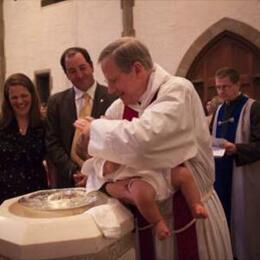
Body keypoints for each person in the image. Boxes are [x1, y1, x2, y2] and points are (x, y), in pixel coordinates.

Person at [74, 37, 232, 260]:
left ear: (137, 69)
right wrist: (106, 168)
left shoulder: (178, 90)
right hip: (148, 222)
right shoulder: (120, 107)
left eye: (114, 80)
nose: (109, 90)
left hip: (193, 217)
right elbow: (96, 158)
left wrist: (96, 133)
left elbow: (144, 142)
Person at [81, 153, 208, 240]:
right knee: (140, 193)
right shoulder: (98, 161)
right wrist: (116, 152)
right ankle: (157, 221)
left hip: (160, 171)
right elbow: (108, 169)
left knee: (183, 175)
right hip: (140, 180)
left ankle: (195, 204)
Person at [45, 47, 117, 188]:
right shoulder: (56, 102)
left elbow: (116, 140)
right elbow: (52, 143)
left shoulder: (113, 97)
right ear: (66, 74)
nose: (79, 75)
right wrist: (74, 171)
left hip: (105, 180)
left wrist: (93, 171)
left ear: (91, 66)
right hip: (69, 180)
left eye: (82, 68)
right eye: (72, 71)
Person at [211, 67, 260, 260]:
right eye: (218, 88)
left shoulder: (253, 108)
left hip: (244, 175)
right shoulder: (219, 109)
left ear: (238, 84)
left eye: (225, 87)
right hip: (220, 174)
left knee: (245, 222)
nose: (221, 92)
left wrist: (237, 149)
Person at [0, 73, 48, 204]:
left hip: (37, 195)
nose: (20, 101)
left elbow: (52, 161)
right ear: (8, 100)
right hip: (5, 196)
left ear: (32, 95)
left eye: (24, 96)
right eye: (14, 97)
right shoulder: (2, 126)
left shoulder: (43, 124)